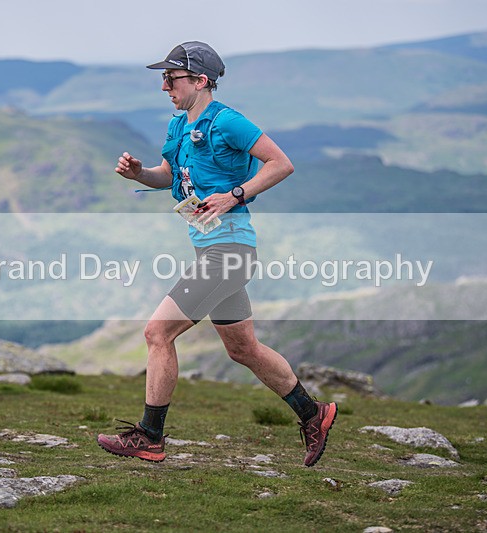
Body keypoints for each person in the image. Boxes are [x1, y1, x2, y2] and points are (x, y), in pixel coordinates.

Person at [97, 41, 337, 467]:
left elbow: (281, 163)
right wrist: (139, 174)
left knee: (157, 333)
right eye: (163, 79)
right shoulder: (177, 126)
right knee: (243, 349)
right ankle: (312, 413)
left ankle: (149, 436)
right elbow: (168, 175)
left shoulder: (228, 122)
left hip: (229, 252)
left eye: (171, 78)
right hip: (212, 250)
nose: (165, 87)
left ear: (200, 81)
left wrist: (235, 194)